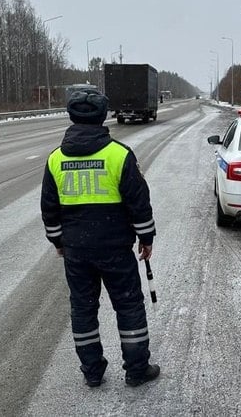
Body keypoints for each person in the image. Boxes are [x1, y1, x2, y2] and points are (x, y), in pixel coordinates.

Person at [40, 90, 160, 388]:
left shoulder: (55, 159)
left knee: (83, 309)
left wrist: (58, 243)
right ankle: (136, 370)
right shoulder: (119, 155)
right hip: (115, 249)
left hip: (77, 251)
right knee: (129, 306)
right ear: (103, 115)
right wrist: (146, 238)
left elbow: (49, 209)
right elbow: (139, 203)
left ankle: (92, 371)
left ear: (72, 116)